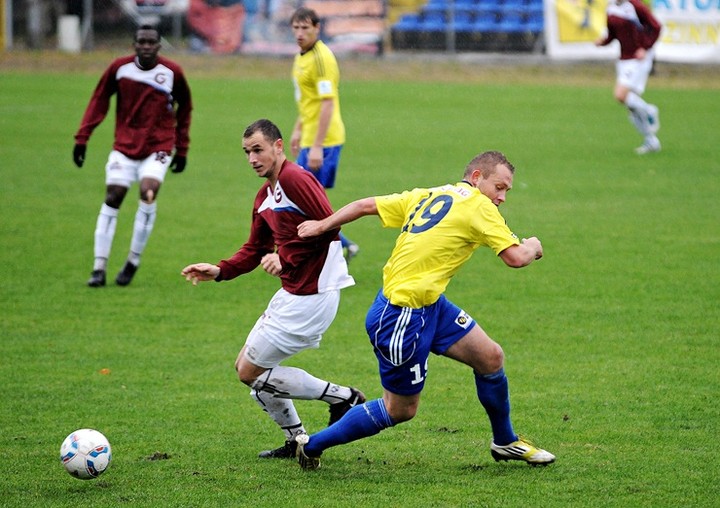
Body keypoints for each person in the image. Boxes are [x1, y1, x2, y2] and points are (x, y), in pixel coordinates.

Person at [294, 151, 555, 470]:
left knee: (490, 357)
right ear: (476, 178)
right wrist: (534, 246)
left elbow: (365, 205)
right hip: (401, 316)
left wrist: (323, 225)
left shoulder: (430, 193)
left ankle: (504, 441)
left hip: (429, 305)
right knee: (400, 410)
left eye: (506, 191)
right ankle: (311, 445)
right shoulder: (479, 206)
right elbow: (516, 257)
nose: (501, 197)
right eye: (499, 187)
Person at [181, 119, 365, 459]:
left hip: (314, 295)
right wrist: (221, 270)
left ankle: (343, 397)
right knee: (254, 375)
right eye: (247, 152)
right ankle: (297, 440)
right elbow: (254, 248)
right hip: (292, 293)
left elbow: (329, 227)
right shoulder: (265, 196)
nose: (252, 158)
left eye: (258, 150)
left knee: (250, 372)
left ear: (279, 147)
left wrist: (285, 257)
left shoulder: (296, 179)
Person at [73, 24, 192, 287]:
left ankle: (132, 261)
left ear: (159, 46)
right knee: (113, 196)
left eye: (151, 42)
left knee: (148, 192)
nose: (146, 47)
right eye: (142, 42)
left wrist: (181, 148)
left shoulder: (172, 73)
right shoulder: (120, 69)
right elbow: (98, 101)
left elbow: (185, 108)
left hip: (159, 146)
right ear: (134, 45)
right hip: (124, 146)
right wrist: (83, 137)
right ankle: (99, 267)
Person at [289, 7, 359, 261]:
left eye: (305, 28)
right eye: (296, 28)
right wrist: (298, 129)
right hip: (310, 136)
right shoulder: (301, 56)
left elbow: (327, 103)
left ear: (317, 29)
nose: (300, 33)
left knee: (304, 199)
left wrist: (317, 146)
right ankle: (341, 246)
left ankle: (337, 248)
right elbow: (309, 99)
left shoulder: (321, 58)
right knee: (304, 199)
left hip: (325, 140)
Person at [595, 0, 662, 155]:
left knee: (620, 95)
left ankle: (650, 110)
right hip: (624, 60)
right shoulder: (611, 8)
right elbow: (612, 34)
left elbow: (656, 27)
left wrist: (645, 47)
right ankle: (651, 141)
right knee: (632, 107)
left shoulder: (635, 6)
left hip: (638, 59)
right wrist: (603, 42)